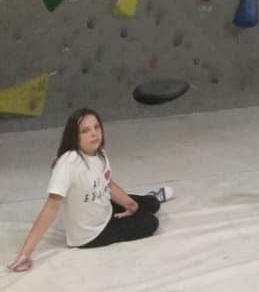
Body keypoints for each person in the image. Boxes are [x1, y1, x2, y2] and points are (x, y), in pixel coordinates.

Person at [8, 108, 172, 272]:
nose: (94, 133)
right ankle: (139, 210)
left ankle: (148, 200)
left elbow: (108, 184)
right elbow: (51, 206)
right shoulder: (68, 163)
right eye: (85, 131)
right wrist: (25, 253)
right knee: (150, 222)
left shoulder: (99, 154)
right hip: (91, 234)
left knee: (151, 203)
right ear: (74, 136)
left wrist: (131, 205)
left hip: (104, 206)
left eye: (96, 127)